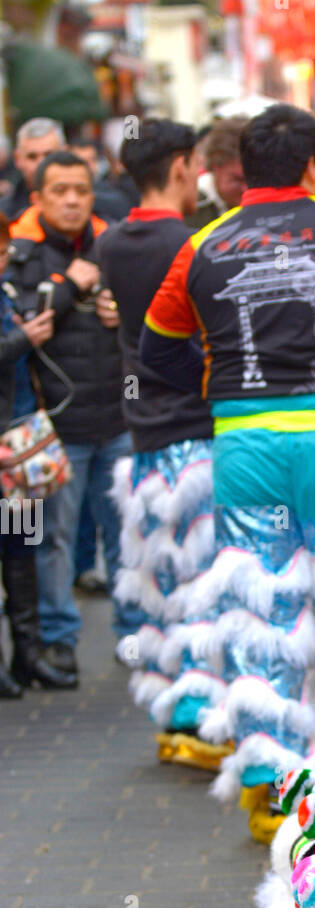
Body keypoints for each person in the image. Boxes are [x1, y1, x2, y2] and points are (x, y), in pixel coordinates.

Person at [140, 103, 315, 819]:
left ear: (242, 167)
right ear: (313, 165)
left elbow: (156, 348)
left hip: (244, 444)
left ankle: (271, 788)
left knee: (263, 603)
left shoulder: (204, 241)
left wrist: (220, 389)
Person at [97, 118, 218, 759]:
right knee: (203, 579)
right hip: (197, 433)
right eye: (195, 165)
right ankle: (201, 720)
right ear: (178, 167)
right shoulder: (193, 242)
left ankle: (173, 714)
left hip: (141, 440)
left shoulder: (112, 244)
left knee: (161, 582)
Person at [6, 150, 134, 677]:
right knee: (48, 540)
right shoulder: (18, 253)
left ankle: (135, 634)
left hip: (119, 418)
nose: (73, 200)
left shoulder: (117, 244)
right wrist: (71, 287)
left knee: (126, 533)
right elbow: (19, 329)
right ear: (38, 197)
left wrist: (125, 312)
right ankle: (57, 640)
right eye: (60, 190)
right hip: (52, 429)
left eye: (81, 189)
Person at [0, 212, 77, 694]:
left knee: (19, 548)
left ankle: (27, 654)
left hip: (17, 446)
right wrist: (21, 339)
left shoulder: (6, 293)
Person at [184, 117, 247, 231]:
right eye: (237, 180)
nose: (246, 188)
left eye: (251, 179)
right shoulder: (194, 204)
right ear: (214, 168)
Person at [2, 118, 66, 227]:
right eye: (32, 157)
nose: (41, 164)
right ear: (18, 159)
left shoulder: (93, 208)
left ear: (65, 154)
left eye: (48, 155)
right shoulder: (3, 214)